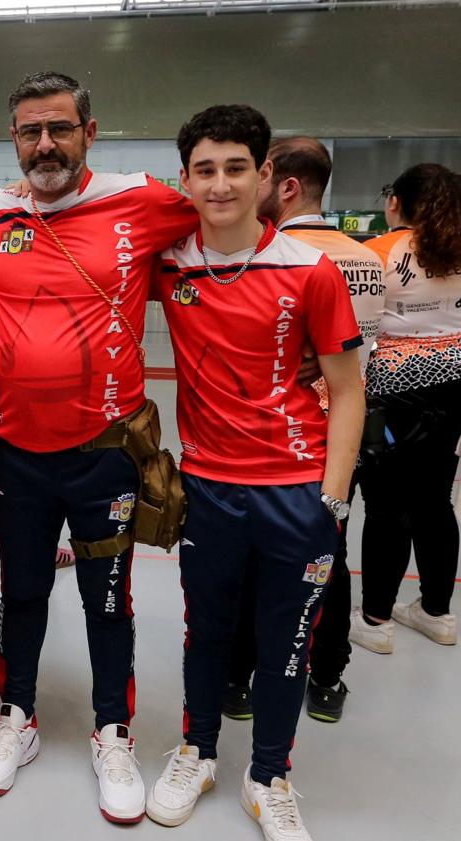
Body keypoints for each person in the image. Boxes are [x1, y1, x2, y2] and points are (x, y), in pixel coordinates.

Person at [0, 71, 197, 824]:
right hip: (18, 455)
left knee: (108, 601)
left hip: (106, 454)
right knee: (21, 592)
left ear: (90, 133)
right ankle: (17, 717)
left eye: (59, 128)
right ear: (14, 139)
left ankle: (112, 730)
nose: (45, 144)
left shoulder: (142, 198)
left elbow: (224, 220)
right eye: (30, 131)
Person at [144, 105, 364, 841]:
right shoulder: (168, 262)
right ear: (185, 179)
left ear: (266, 175)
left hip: (297, 491)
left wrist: (331, 498)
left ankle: (268, 775)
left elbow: (349, 388)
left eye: (237, 167)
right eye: (204, 169)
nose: (220, 183)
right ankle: (198, 752)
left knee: (286, 645)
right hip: (207, 488)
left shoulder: (311, 269)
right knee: (204, 635)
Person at [223, 137, 386, 724]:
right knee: (332, 561)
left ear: (284, 185)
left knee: (256, 563)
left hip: (292, 439)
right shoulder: (367, 257)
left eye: (258, 176)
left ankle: (241, 679)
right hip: (352, 433)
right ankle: (327, 677)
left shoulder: (285, 257)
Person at [350, 163, 461, 652]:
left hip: (392, 391)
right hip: (454, 386)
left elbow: (354, 333)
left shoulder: (376, 252)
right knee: (436, 499)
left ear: (395, 202)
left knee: (387, 505)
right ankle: (437, 613)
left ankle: (376, 619)